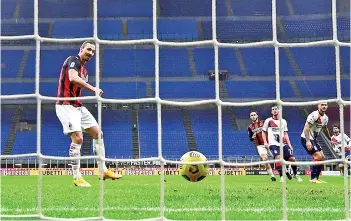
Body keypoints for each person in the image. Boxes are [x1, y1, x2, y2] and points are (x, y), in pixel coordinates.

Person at [55, 40, 121, 187]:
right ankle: (77, 177)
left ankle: (103, 171)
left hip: (78, 106)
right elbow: (72, 77)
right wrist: (94, 89)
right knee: (78, 138)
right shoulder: (73, 60)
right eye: (89, 50)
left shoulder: (84, 71)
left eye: (93, 51)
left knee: (98, 133)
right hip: (65, 105)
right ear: (81, 49)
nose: (91, 53)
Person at [262, 105, 302, 183]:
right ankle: (282, 176)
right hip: (273, 144)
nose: (274, 110)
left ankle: (295, 174)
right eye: (273, 109)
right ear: (271, 111)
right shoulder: (268, 121)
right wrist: (265, 142)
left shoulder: (283, 121)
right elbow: (263, 131)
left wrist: (289, 144)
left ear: (279, 110)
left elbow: (285, 134)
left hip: (283, 144)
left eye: (276, 109)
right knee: (278, 158)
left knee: (292, 159)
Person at [301, 103, 331, 183]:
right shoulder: (314, 115)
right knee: (318, 157)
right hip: (306, 138)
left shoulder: (325, 118)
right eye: (322, 105)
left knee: (323, 158)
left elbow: (325, 129)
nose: (324, 106)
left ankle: (317, 178)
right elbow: (306, 128)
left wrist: (330, 139)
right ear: (318, 106)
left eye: (325, 105)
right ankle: (312, 178)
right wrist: (307, 141)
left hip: (313, 139)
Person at [247, 111, 276, 181]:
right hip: (260, 146)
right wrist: (252, 137)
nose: (253, 116)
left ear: (257, 116)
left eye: (254, 115)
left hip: (269, 143)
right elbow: (250, 138)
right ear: (250, 117)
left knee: (278, 158)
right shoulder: (250, 127)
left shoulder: (263, 122)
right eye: (251, 115)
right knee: (265, 159)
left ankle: (286, 172)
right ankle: (272, 175)